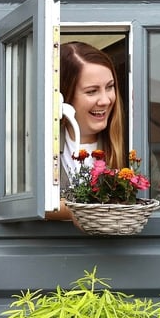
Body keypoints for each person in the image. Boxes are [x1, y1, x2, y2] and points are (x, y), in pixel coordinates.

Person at [48, 41, 128, 221]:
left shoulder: (130, 148)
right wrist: (70, 211)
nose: (105, 100)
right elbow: (0, 201)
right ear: (64, 95)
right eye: (92, 91)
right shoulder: (34, 148)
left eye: (110, 87)